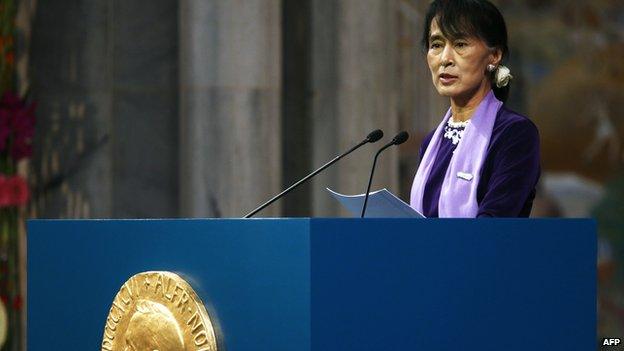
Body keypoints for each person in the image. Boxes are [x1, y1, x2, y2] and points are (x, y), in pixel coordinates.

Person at [410, 0, 540, 218]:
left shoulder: (514, 134)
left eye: (460, 44)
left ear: (495, 55)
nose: (445, 59)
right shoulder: (431, 142)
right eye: (436, 45)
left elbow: (494, 225)